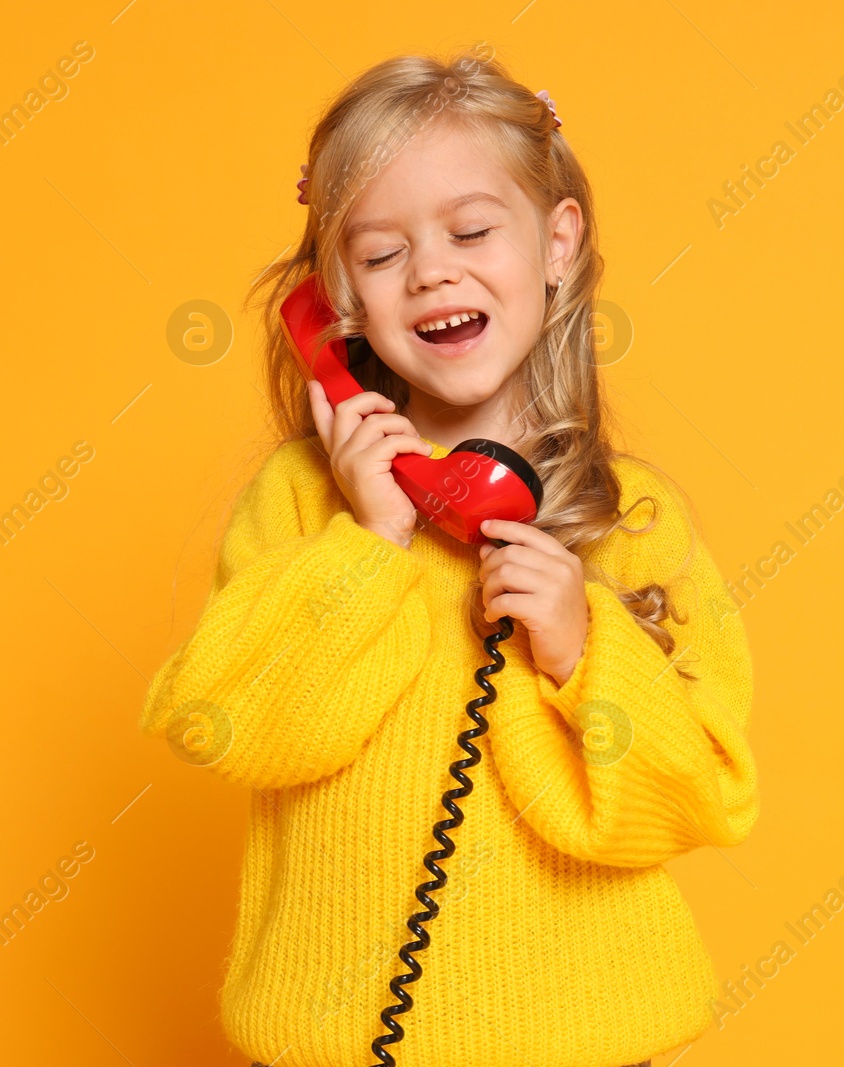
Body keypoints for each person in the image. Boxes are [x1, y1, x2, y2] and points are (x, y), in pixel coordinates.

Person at [139, 45, 758, 1067]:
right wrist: (370, 539)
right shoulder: (304, 502)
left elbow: (703, 794)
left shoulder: (633, 520)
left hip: (588, 1043)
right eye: (381, 255)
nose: (431, 269)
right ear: (335, 299)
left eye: (472, 230)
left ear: (559, 241)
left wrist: (581, 648)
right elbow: (229, 725)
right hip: (337, 1045)